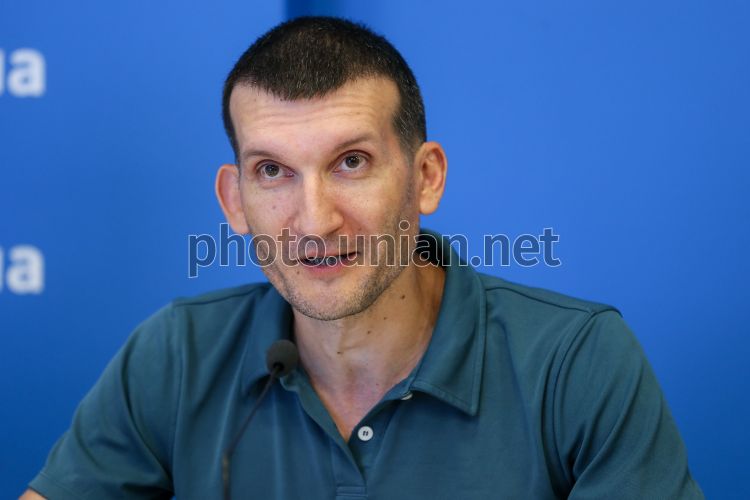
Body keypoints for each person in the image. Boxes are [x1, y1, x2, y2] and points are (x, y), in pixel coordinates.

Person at [22, 16, 703, 500]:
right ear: (234, 201)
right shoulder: (176, 353)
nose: (315, 220)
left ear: (426, 177)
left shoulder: (576, 359)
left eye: (351, 162)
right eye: (272, 172)